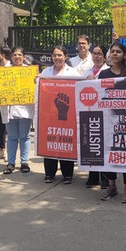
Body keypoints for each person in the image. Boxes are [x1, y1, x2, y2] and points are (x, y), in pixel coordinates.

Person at [98, 43, 126, 203]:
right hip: (108, 119)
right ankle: (111, 185)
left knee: (125, 152)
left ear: (123, 55)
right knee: (109, 151)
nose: (115, 54)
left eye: (118, 51)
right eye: (112, 51)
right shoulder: (103, 74)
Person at [40, 46, 80, 184]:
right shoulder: (46, 72)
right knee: (51, 141)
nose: (57, 58)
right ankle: (49, 174)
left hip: (66, 114)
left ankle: (67, 174)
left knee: (65, 140)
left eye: (60, 55)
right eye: (55, 55)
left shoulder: (73, 72)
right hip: (49, 114)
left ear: (65, 57)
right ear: (51, 57)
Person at [0, 47, 35, 175]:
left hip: (25, 109)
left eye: (20, 55)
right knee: (12, 137)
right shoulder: (4, 71)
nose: (17, 57)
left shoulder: (30, 71)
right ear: (11, 57)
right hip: (9, 109)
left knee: (24, 137)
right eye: (15, 55)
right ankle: (11, 163)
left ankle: (24, 162)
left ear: (24, 57)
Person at [82, 44, 109, 189]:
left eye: (99, 53)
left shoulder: (108, 71)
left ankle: (105, 178)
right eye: (94, 53)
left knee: (103, 145)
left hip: (105, 113)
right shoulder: (86, 71)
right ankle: (93, 176)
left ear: (104, 56)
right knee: (92, 144)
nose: (96, 56)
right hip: (89, 111)